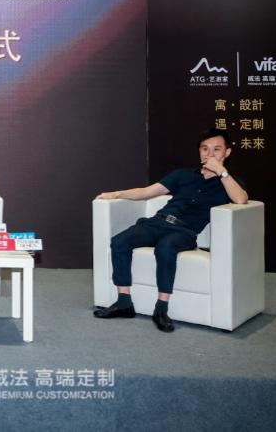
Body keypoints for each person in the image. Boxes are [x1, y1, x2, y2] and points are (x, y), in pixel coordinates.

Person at [93, 128, 248, 332]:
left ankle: (161, 309)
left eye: (216, 149)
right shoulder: (182, 175)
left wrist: (222, 172)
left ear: (227, 152)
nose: (209, 154)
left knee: (165, 248)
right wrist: (115, 194)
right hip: (157, 222)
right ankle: (124, 302)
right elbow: (146, 192)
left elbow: (240, 199)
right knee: (120, 241)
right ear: (199, 152)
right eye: (205, 149)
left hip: (184, 231)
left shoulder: (229, 182)